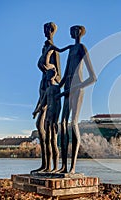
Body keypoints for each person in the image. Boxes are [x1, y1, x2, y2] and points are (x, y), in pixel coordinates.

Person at [56, 25, 97, 173]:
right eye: (71, 30)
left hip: (76, 89)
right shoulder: (70, 50)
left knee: (73, 123)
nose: (72, 33)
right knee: (62, 125)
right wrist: (56, 89)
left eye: (76, 30)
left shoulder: (81, 48)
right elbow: (66, 71)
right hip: (67, 89)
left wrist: (76, 87)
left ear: (80, 32)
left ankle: (72, 167)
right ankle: (64, 166)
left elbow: (93, 77)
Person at [31, 22, 61, 173]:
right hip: (43, 88)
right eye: (44, 29)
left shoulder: (53, 50)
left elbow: (58, 74)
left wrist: (52, 84)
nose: (45, 32)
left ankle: (51, 166)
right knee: (39, 126)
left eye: (47, 29)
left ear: (51, 30)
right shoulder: (45, 47)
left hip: (50, 89)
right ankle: (45, 164)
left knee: (48, 130)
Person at [33, 68, 61, 172]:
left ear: (53, 76)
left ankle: (56, 167)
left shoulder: (56, 88)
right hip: (47, 117)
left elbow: (59, 105)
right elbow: (42, 104)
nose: (47, 78)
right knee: (47, 142)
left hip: (53, 117)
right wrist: (36, 111)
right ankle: (48, 167)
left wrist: (56, 119)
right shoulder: (48, 90)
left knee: (54, 142)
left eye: (49, 75)